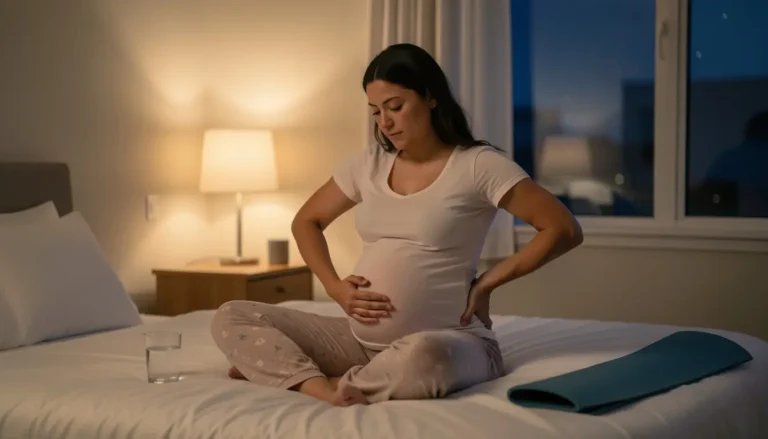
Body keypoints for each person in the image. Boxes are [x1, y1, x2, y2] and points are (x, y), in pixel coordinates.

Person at [210, 43, 583, 406]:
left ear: (431, 98)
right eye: (375, 111)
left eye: (395, 107)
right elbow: (307, 221)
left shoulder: (478, 165)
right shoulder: (368, 164)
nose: (385, 122)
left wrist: (487, 283)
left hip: (449, 340)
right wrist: (335, 287)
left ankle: (307, 376)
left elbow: (562, 229)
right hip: (358, 344)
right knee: (233, 315)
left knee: (424, 356)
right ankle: (321, 387)